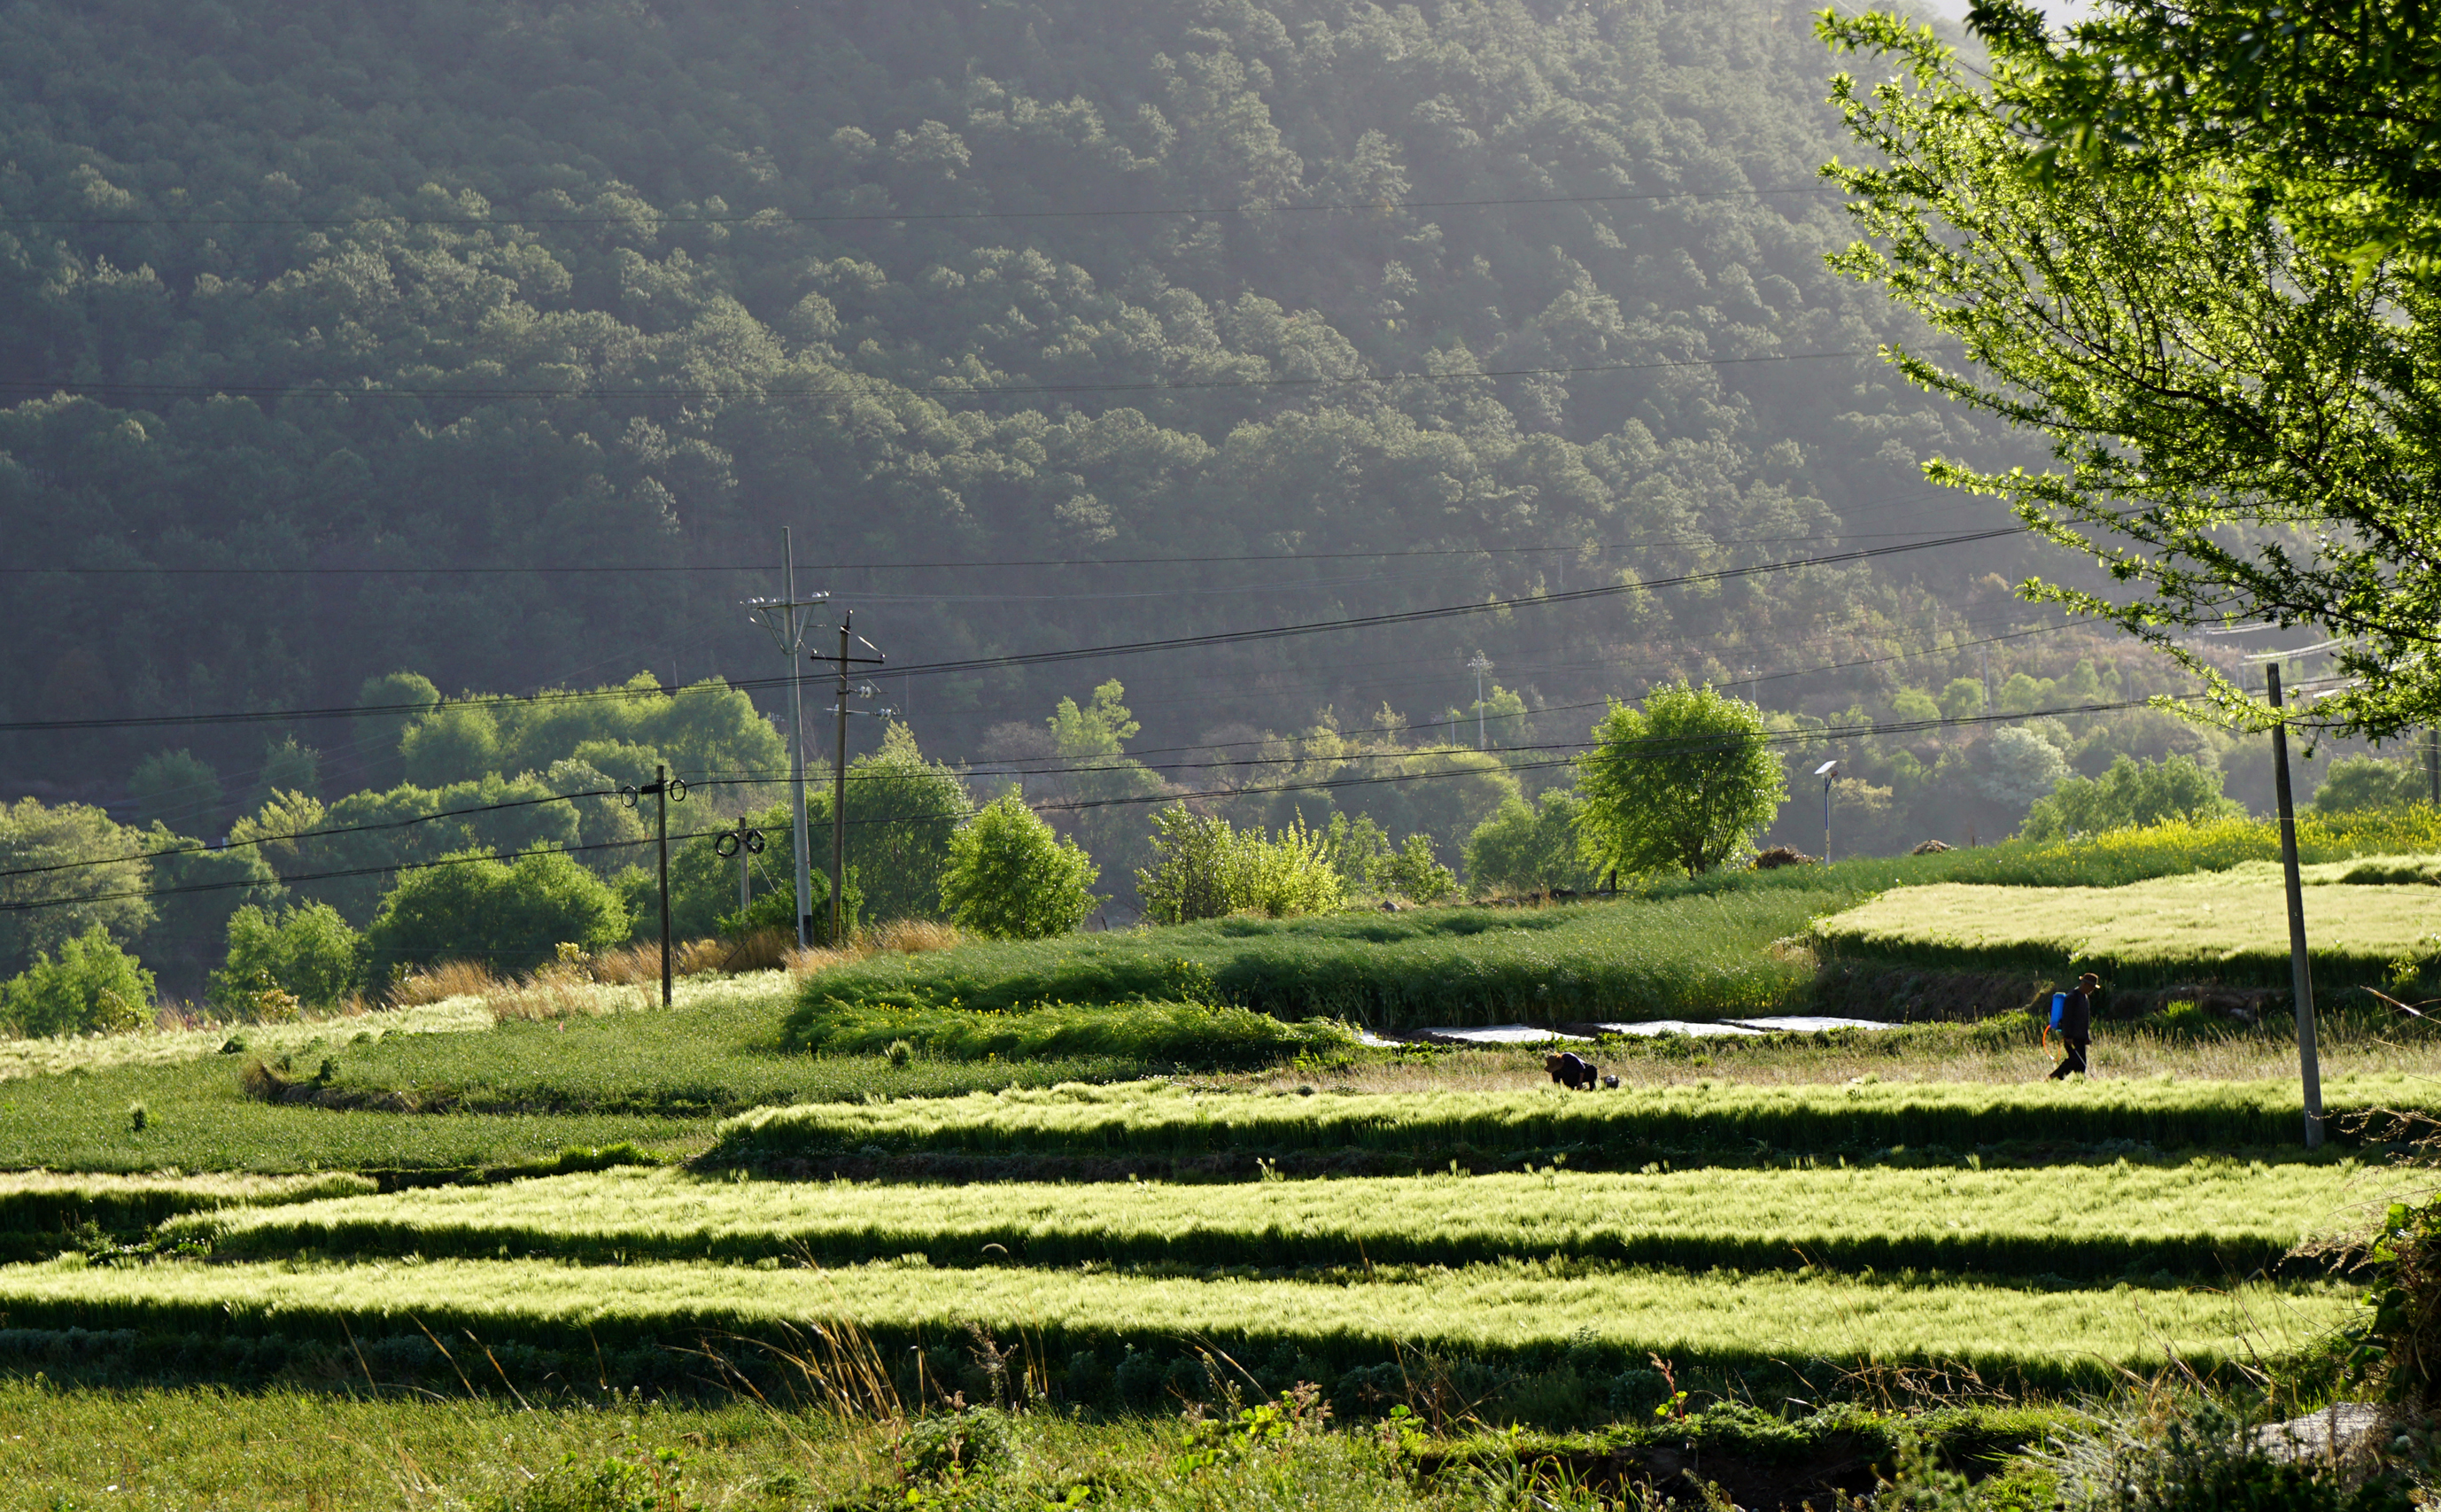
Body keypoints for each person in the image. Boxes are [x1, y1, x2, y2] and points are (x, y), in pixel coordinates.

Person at [2048, 973, 2098, 1079]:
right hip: (2072, 1037)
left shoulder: (2084, 998)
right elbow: (2067, 1018)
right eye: (2091, 987)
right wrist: (2068, 1036)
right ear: (2084, 984)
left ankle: (2077, 1082)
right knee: (2074, 1061)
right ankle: (2053, 1079)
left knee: (2080, 1064)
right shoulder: (2072, 997)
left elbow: (2085, 1020)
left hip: (2080, 1037)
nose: (2092, 990)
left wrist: (2086, 1037)